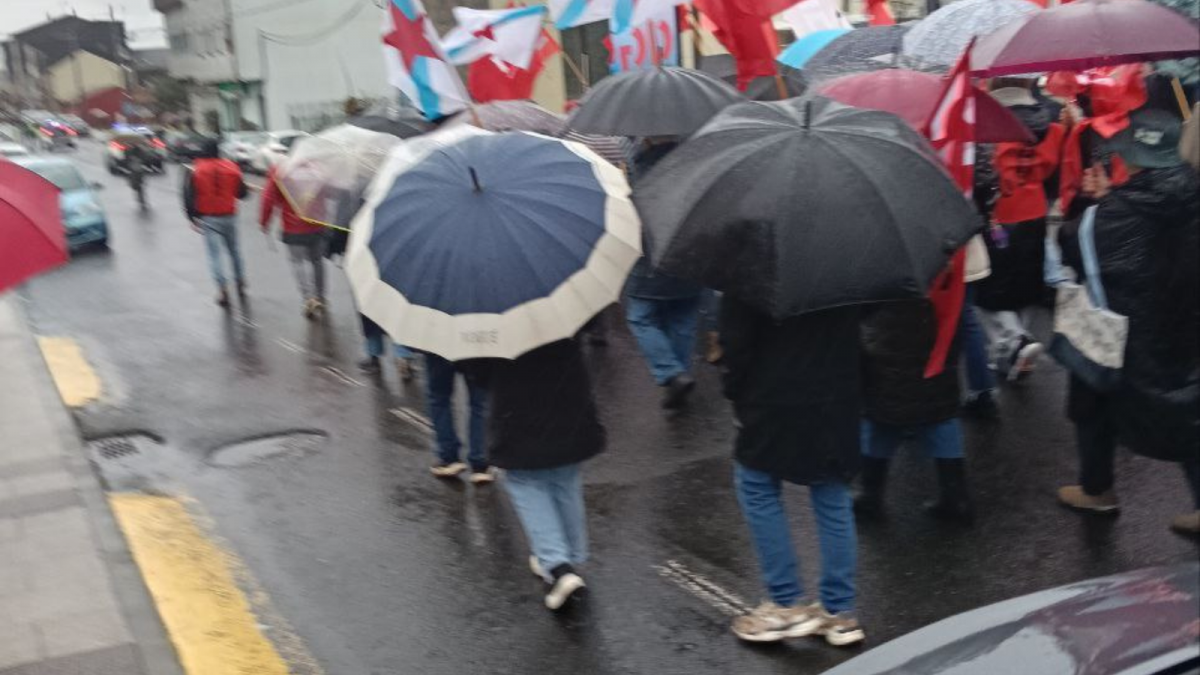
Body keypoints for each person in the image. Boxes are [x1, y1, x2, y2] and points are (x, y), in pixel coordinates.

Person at [1055, 109, 1199, 536]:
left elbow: (1072, 246)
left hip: (1127, 341)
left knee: (1090, 392)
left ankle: (1096, 489)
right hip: (1188, 332)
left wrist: (1098, 204)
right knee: (1192, 410)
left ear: (1130, 158)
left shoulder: (1110, 214)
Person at [720, 296, 864, 646]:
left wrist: (735, 391)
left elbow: (737, 344)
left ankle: (785, 604)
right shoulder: (849, 269)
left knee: (756, 484)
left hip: (772, 397)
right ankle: (839, 613)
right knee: (832, 494)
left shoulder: (750, 275)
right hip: (838, 392)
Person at [464, 337, 605, 611]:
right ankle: (571, 555)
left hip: (517, 408)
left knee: (526, 482)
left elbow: (479, 372)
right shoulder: (559, 310)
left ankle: (558, 567)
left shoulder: (489, 319)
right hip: (569, 397)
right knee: (565, 476)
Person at [974, 80, 1065, 381]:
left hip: (1000, 211)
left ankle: (1014, 343)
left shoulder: (986, 120)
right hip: (1035, 209)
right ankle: (1018, 346)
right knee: (1025, 285)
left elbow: (984, 172)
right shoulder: (1050, 120)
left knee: (991, 291)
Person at [856, 299, 973, 524]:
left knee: (884, 412)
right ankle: (956, 497)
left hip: (889, 334)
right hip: (938, 322)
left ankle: (870, 496)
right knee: (940, 412)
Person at [625, 138, 705, 409]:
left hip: (651, 260)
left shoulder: (641, 166)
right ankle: (680, 381)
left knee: (640, 318)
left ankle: (672, 373)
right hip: (691, 258)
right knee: (682, 320)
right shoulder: (699, 162)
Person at [183, 138, 249, 307]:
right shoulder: (232, 167)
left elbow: (189, 196)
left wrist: (192, 217)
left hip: (209, 218)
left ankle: (222, 289)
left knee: (215, 255)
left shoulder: (197, 170)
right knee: (234, 251)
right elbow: (242, 193)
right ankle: (240, 281)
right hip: (229, 215)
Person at [259, 165, 328, 319]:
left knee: (297, 263)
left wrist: (264, 222)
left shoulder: (280, 171)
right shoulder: (319, 170)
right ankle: (320, 296)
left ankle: (308, 298)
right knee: (317, 261)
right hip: (316, 225)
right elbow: (328, 194)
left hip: (293, 227)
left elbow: (268, 198)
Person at [424, 353, 490, 483]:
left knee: (439, 399)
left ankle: (448, 458)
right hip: (475, 348)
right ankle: (480, 463)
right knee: (480, 403)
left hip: (439, 347)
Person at [125, 142, 151, 209]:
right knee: (138, 187)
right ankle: (141, 200)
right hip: (136, 170)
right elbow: (126, 160)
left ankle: (141, 200)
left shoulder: (138, 150)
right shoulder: (129, 150)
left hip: (137, 171)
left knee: (138, 187)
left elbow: (146, 159)